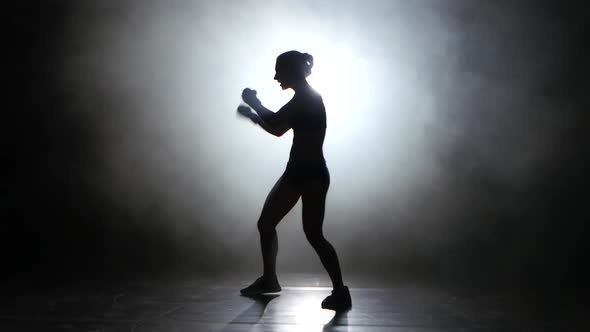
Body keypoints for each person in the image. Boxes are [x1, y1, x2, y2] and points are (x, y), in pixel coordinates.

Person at [236, 50, 351, 311]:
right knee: (268, 224)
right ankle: (270, 279)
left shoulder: (307, 99)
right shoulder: (305, 98)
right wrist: (255, 113)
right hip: (301, 173)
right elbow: (277, 128)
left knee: (312, 234)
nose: (276, 77)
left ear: (291, 72)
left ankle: (339, 291)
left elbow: (276, 124)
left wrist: (254, 104)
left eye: (279, 71)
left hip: (309, 175)